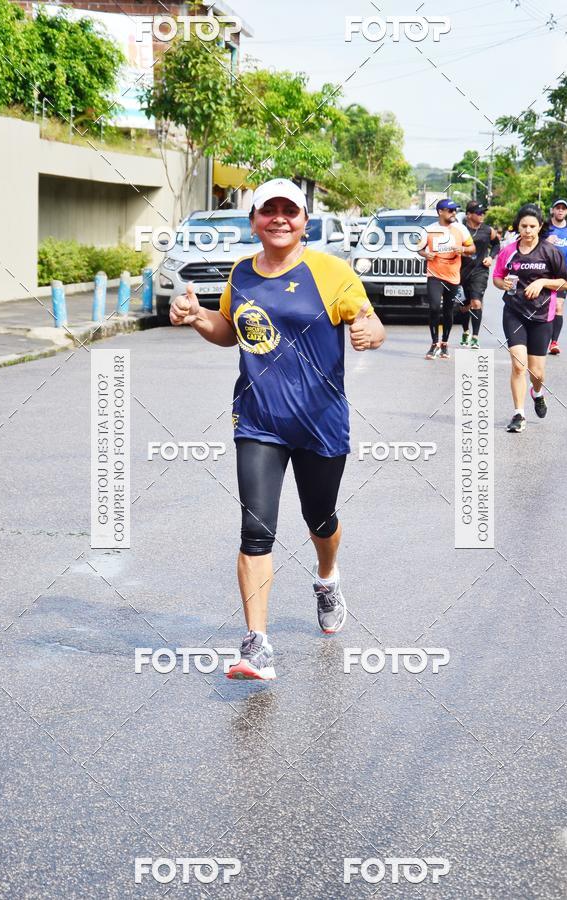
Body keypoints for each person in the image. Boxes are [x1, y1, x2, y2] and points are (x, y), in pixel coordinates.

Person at [170, 178, 385, 680]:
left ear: (305, 221)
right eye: (269, 210)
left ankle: (327, 578)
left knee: (320, 518)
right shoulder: (242, 273)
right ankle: (256, 645)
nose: (280, 219)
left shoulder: (331, 272)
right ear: (254, 222)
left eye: (291, 211)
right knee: (255, 530)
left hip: (320, 424)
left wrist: (369, 333)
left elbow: (371, 323)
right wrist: (198, 316)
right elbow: (230, 330)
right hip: (258, 421)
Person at [493, 204, 567, 433]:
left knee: (537, 373)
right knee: (519, 366)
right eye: (524, 226)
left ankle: (537, 392)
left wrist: (542, 282)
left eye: (532, 226)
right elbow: (497, 277)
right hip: (514, 312)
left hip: (542, 315)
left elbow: (565, 282)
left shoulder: (550, 251)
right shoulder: (508, 251)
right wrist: (503, 284)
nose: (527, 230)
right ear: (518, 226)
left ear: (540, 227)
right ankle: (519, 414)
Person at [418, 199, 475, 359]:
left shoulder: (460, 229)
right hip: (434, 275)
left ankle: (444, 343)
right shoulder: (428, 230)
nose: (454, 213)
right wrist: (426, 254)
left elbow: (472, 248)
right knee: (434, 307)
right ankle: (434, 344)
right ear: (440, 212)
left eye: (455, 210)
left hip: (453, 276)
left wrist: (462, 249)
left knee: (448, 310)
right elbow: (419, 249)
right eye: (450, 211)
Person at [458, 201, 500, 349]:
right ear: (469, 215)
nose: (482, 215)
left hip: (480, 271)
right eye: (479, 213)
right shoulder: (460, 230)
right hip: (462, 272)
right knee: (464, 306)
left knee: (476, 302)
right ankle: (466, 331)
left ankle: (475, 337)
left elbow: (496, 244)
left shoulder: (488, 230)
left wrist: (491, 257)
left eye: (483, 213)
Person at [542, 199, 567, 355]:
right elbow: (534, 244)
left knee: (558, 306)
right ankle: (540, 338)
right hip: (544, 272)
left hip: (562, 273)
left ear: (566, 211)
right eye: (558, 208)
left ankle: (554, 342)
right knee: (544, 307)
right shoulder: (545, 226)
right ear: (553, 210)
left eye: (563, 208)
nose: (560, 211)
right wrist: (546, 241)